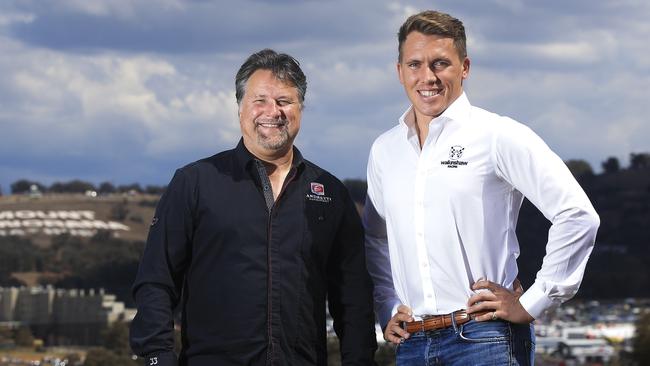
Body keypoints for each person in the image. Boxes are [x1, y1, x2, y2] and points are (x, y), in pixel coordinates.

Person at [363, 10, 600, 365]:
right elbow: (376, 238)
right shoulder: (384, 150)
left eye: (440, 63)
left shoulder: (498, 136)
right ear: (399, 71)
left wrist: (532, 302)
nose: (427, 76)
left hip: (485, 338)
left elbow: (578, 215)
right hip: (412, 344)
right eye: (415, 64)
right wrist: (386, 305)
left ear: (465, 67)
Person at [130, 49, 378, 366]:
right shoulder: (195, 182)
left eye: (284, 101)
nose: (272, 112)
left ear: (300, 108)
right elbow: (155, 281)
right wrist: (157, 357)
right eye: (259, 100)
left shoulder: (330, 193)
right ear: (240, 108)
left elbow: (353, 296)